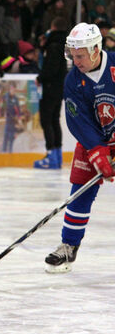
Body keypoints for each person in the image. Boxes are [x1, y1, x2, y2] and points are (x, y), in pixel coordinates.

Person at [45, 23, 115, 273]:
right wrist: (96, 148)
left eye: (81, 56)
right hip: (93, 141)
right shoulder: (74, 80)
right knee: (79, 192)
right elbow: (77, 119)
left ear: (96, 49)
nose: (76, 62)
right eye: (72, 56)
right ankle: (68, 246)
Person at [34, 16, 68, 169]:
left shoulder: (54, 45)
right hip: (60, 87)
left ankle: (51, 156)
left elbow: (50, 68)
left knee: (47, 120)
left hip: (50, 87)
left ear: (53, 27)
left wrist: (41, 78)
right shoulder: (65, 45)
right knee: (54, 120)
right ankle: (57, 155)